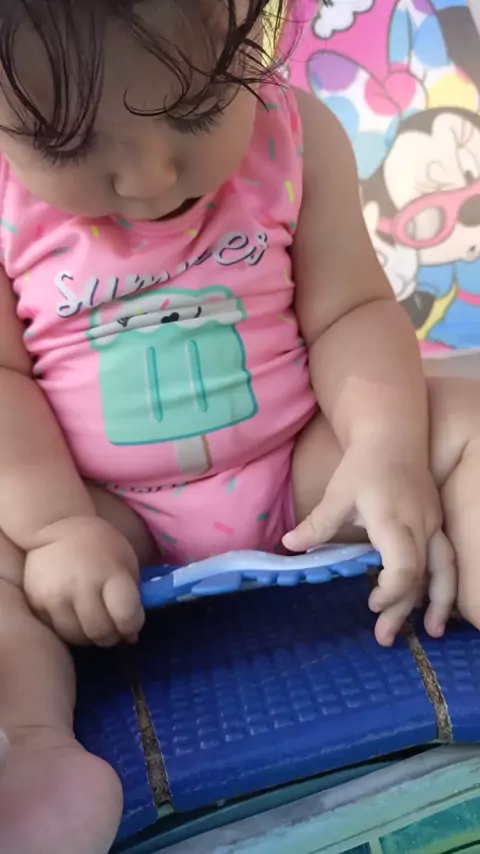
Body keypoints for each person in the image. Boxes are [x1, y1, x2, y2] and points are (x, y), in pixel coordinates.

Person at [0, 1, 478, 852]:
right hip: (99, 510)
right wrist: (53, 528)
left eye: (194, 109)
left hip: (302, 465)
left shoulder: (296, 133)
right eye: (67, 145)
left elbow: (351, 310)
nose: (150, 177)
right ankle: (31, 749)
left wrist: (385, 446)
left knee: (464, 422)